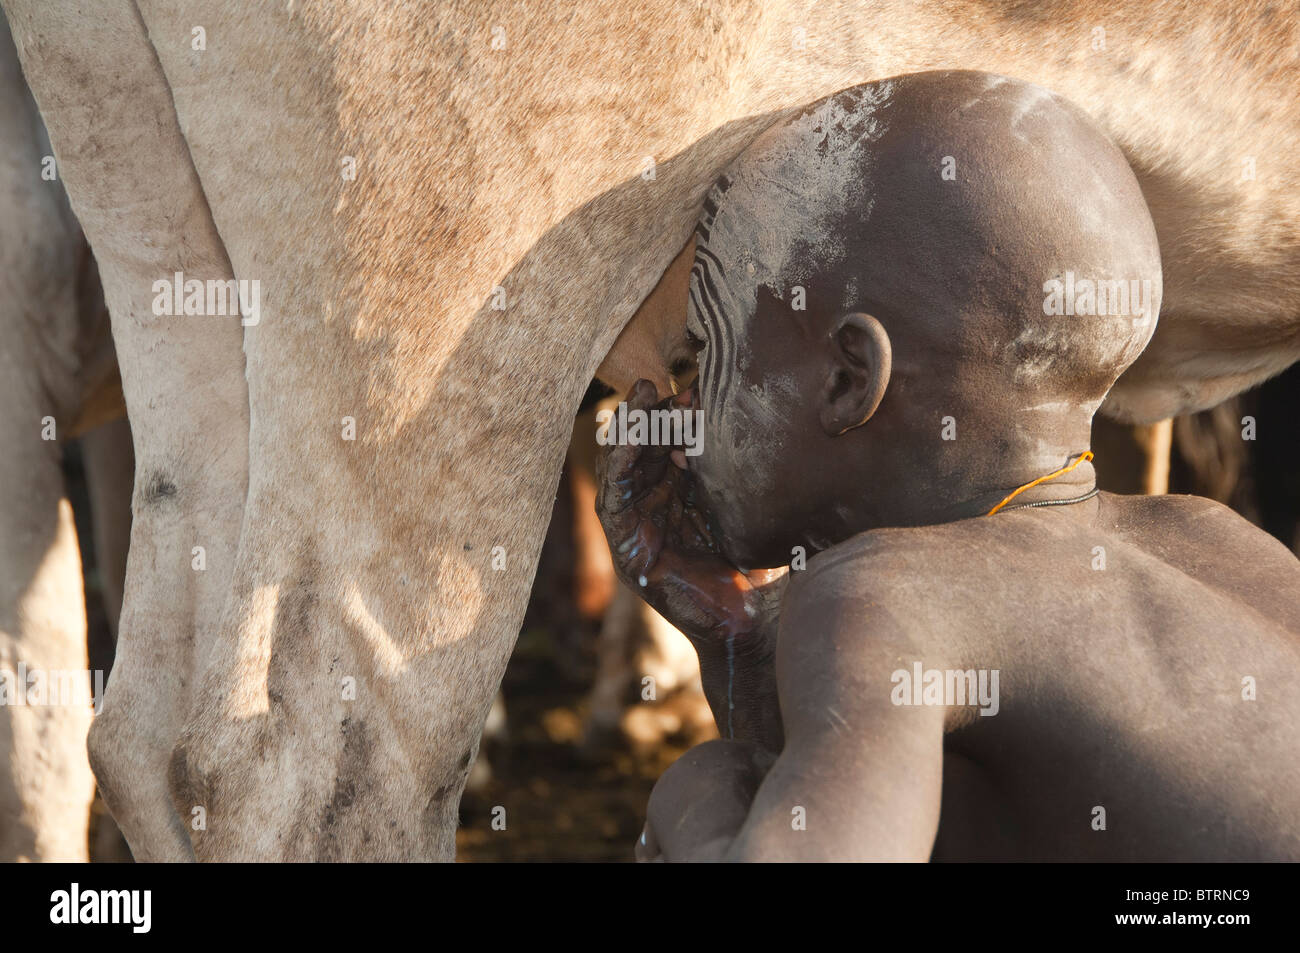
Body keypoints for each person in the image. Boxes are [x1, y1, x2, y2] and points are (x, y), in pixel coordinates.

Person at [595, 71, 1300, 861]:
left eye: (706, 351)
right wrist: (735, 635)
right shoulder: (1216, 540)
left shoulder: (881, 594)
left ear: (847, 381)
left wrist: (691, 798)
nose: (682, 405)